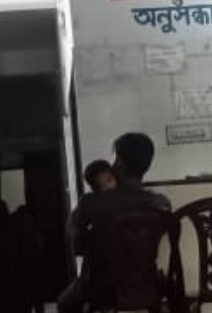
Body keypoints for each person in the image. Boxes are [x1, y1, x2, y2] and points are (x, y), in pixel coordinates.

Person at [57, 133, 170, 313]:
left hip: (100, 289)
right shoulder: (160, 203)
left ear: (119, 163)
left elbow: (75, 242)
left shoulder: (90, 203)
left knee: (64, 303)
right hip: (145, 285)